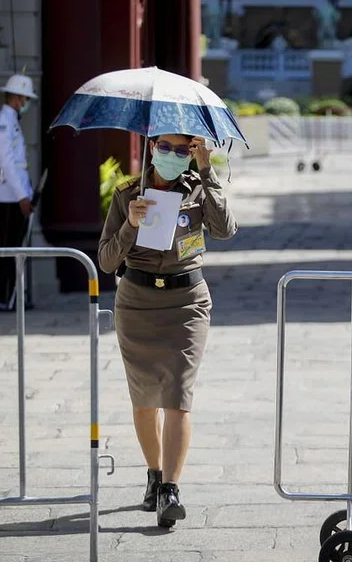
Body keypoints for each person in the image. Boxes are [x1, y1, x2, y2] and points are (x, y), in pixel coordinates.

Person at [97, 134, 237, 529]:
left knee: (177, 393)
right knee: (145, 400)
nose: (174, 156)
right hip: (137, 303)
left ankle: (171, 490)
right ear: (152, 147)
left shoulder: (197, 187)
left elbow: (225, 229)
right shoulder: (128, 193)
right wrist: (130, 224)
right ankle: (154, 474)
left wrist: (207, 169)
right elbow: (106, 261)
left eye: (183, 149)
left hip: (187, 301)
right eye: (167, 148)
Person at [0, 73, 38, 312]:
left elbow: (19, 166)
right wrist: (22, 196)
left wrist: (26, 193)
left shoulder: (13, 122)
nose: (26, 103)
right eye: (25, 98)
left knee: (14, 247)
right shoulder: (3, 123)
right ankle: (2, 298)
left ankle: (11, 297)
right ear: (16, 98)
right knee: (5, 248)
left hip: (14, 195)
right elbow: (7, 164)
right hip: (7, 196)